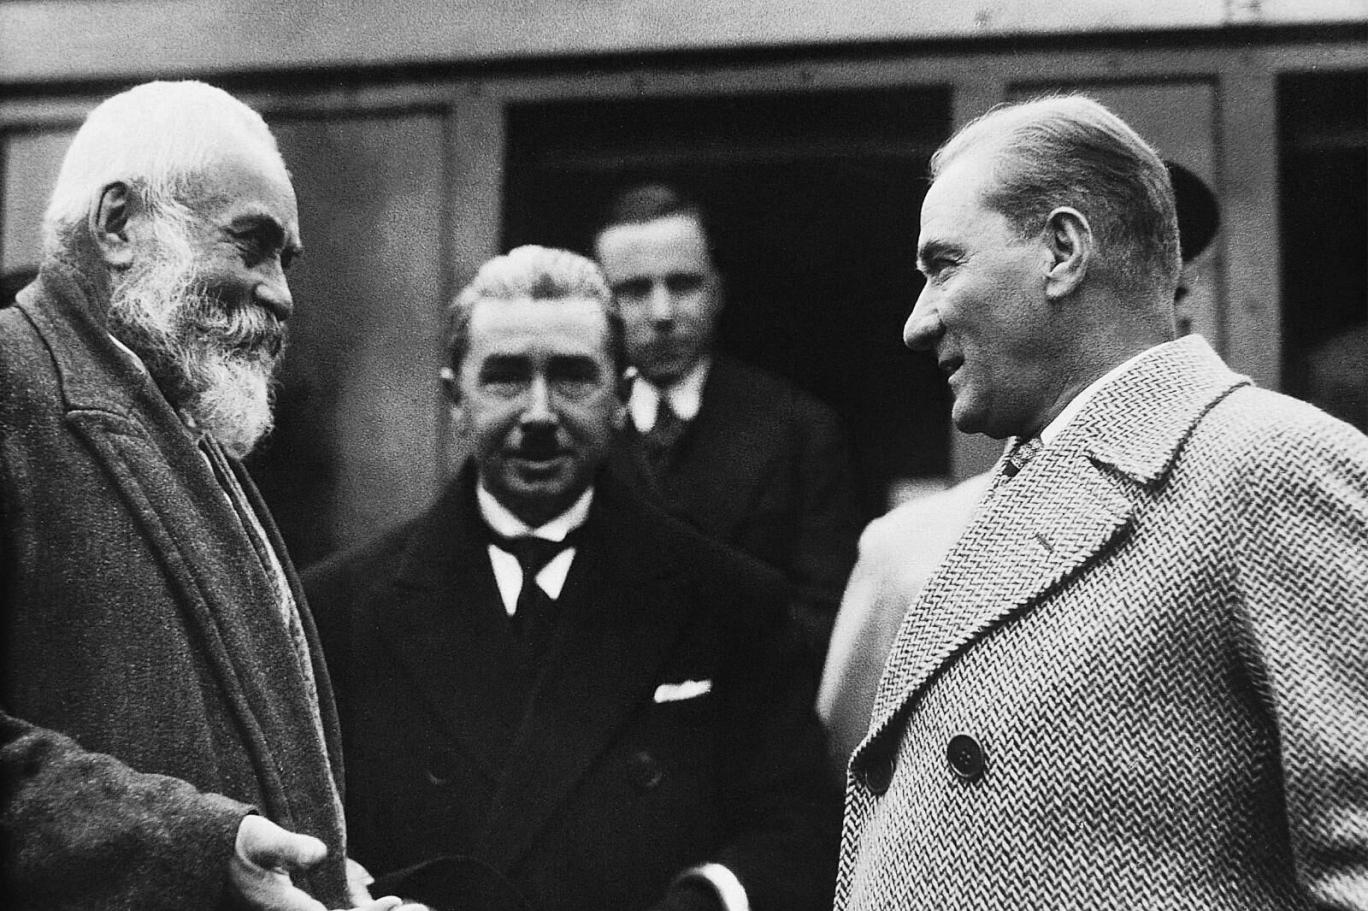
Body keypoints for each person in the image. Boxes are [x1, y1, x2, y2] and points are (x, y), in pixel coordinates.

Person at [837, 94, 1368, 909]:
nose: (918, 322)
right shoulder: (1022, 488)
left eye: (943, 265)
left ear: (1062, 251)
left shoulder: (1269, 465)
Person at [304, 246, 840, 911]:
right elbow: (306, 832)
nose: (538, 414)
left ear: (621, 396)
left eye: (572, 378)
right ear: (455, 400)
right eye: (505, 378)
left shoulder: (731, 603)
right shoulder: (339, 612)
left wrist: (705, 901)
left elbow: (798, 827)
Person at [0, 81, 397, 911]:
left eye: (286, 262)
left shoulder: (176, 418)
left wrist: (333, 884)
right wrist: (195, 848)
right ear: (117, 224)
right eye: (252, 245)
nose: (281, 294)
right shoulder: (12, 387)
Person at [816, 158, 1224, 778]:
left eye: (1175, 291)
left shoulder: (1250, 498)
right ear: (1064, 260)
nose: (1163, 317)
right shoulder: (912, 553)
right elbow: (853, 786)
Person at [593, 184, 863, 656]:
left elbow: (827, 617)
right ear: (602, 306)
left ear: (717, 291)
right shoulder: (578, 430)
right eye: (634, 290)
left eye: (683, 285)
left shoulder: (799, 431)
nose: (662, 313)